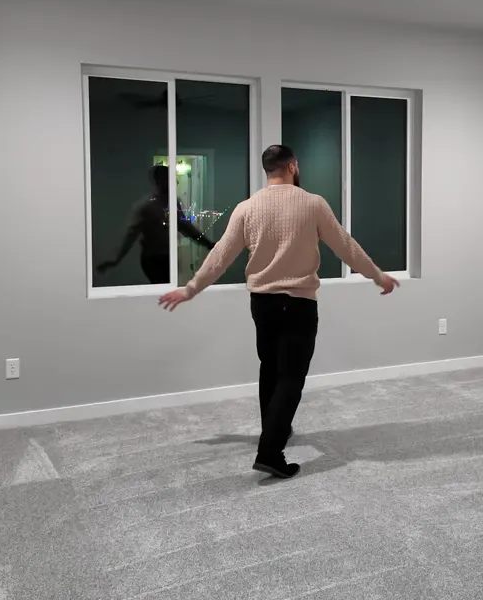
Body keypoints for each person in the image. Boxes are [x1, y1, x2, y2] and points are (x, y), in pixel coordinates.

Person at [158, 145, 400, 479]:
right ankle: (270, 452)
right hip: (298, 303)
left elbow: (221, 254)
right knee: (291, 377)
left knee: (270, 370)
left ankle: (276, 430)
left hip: (262, 303)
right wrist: (377, 275)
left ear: (266, 170)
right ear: (292, 166)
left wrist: (191, 288)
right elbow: (345, 246)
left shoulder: (247, 207)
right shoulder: (313, 204)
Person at [97, 165, 215, 284]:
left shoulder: (173, 202)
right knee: (162, 287)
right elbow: (131, 235)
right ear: (160, 181)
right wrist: (115, 259)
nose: (175, 182)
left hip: (169, 256)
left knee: (169, 287)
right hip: (153, 259)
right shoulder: (147, 206)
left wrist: (208, 243)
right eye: (170, 178)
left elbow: (185, 226)